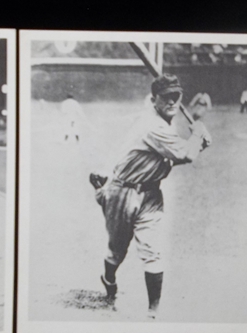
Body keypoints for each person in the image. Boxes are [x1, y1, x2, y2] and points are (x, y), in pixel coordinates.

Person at [89, 74, 212, 318]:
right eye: (166, 98)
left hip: (150, 194)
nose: (173, 103)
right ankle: (109, 280)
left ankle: (152, 313)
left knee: (153, 254)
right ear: (154, 99)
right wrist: (197, 133)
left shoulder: (164, 125)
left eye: (177, 97)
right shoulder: (153, 126)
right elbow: (186, 155)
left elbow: (173, 158)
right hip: (121, 192)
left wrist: (198, 143)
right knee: (116, 251)